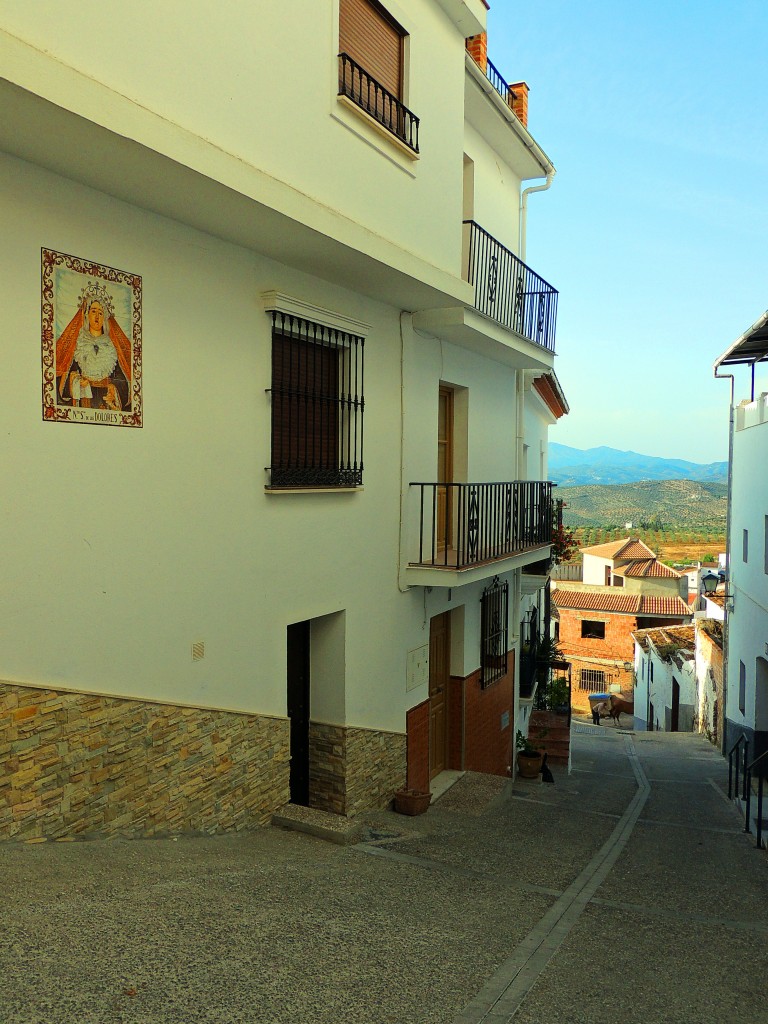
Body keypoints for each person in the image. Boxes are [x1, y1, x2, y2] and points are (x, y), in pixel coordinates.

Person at [56, 283, 131, 411]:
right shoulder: (78, 341)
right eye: (94, 311)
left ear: (105, 318)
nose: (97, 316)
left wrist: (114, 388)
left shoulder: (112, 346)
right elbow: (64, 373)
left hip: (107, 399)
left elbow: (122, 377)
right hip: (84, 396)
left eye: (101, 313)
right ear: (87, 315)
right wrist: (76, 381)